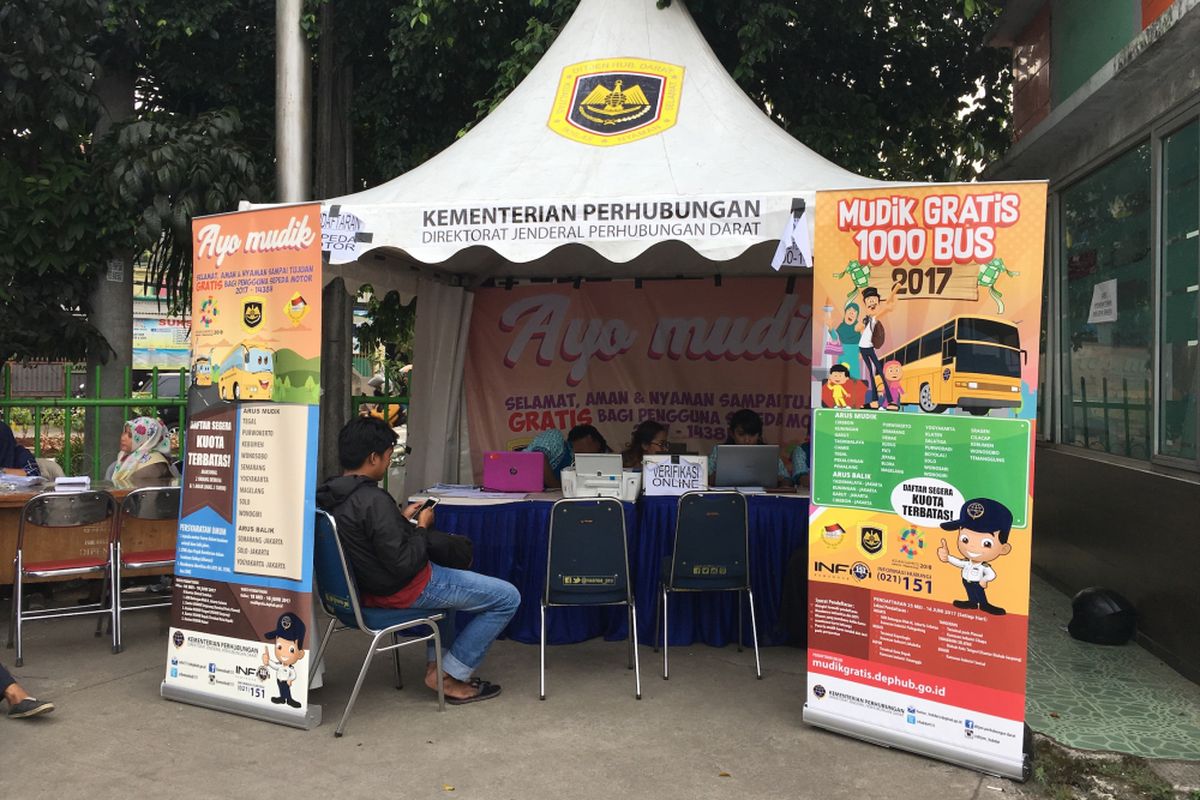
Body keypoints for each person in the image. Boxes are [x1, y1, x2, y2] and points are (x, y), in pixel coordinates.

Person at [316, 416, 520, 704]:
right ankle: (449, 675)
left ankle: (438, 667)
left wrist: (397, 520)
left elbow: (365, 539)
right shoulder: (373, 499)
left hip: (364, 590)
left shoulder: (330, 496)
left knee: (450, 585)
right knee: (508, 598)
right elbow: (404, 563)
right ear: (373, 457)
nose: (388, 464)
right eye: (387, 458)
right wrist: (423, 525)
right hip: (402, 589)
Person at [936, 497, 1015, 616]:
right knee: (970, 591)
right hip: (966, 581)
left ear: (1004, 549)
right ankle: (972, 602)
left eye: (986, 543)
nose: (971, 546)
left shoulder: (984, 566)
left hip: (977, 582)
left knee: (979, 593)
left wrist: (984, 580)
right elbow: (959, 562)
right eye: (965, 539)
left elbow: (991, 574)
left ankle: (984, 605)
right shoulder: (968, 562)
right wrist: (947, 557)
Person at [706, 409, 802, 488]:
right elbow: (704, 478)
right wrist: (717, 477)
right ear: (731, 433)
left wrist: (782, 482)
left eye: (752, 435)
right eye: (741, 434)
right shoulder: (719, 451)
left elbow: (787, 479)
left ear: (759, 435)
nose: (747, 440)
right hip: (727, 497)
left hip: (763, 499)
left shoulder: (768, 454)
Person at [854, 286, 899, 408]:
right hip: (862, 348)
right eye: (869, 301)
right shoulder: (865, 320)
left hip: (869, 348)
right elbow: (857, 328)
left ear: (878, 304)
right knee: (871, 373)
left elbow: (886, 307)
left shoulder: (874, 319)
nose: (872, 303)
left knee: (880, 372)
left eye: (875, 301)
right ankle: (874, 401)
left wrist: (894, 292)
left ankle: (890, 401)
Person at [525, 424, 608, 488]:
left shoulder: (576, 463)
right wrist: (559, 490)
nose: (595, 457)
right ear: (591, 439)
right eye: (598, 451)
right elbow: (539, 459)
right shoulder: (556, 437)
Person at [111, 416, 174, 485]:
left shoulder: (153, 464)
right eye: (124, 432)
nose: (123, 437)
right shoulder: (127, 457)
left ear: (147, 439)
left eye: (130, 435)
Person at [824, 299, 863, 380]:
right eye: (849, 310)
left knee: (854, 375)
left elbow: (862, 341)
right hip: (843, 353)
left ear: (857, 315)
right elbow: (835, 337)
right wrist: (830, 327)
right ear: (845, 313)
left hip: (854, 354)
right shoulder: (841, 327)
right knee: (840, 374)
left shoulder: (857, 327)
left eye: (854, 312)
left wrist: (860, 352)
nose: (851, 313)